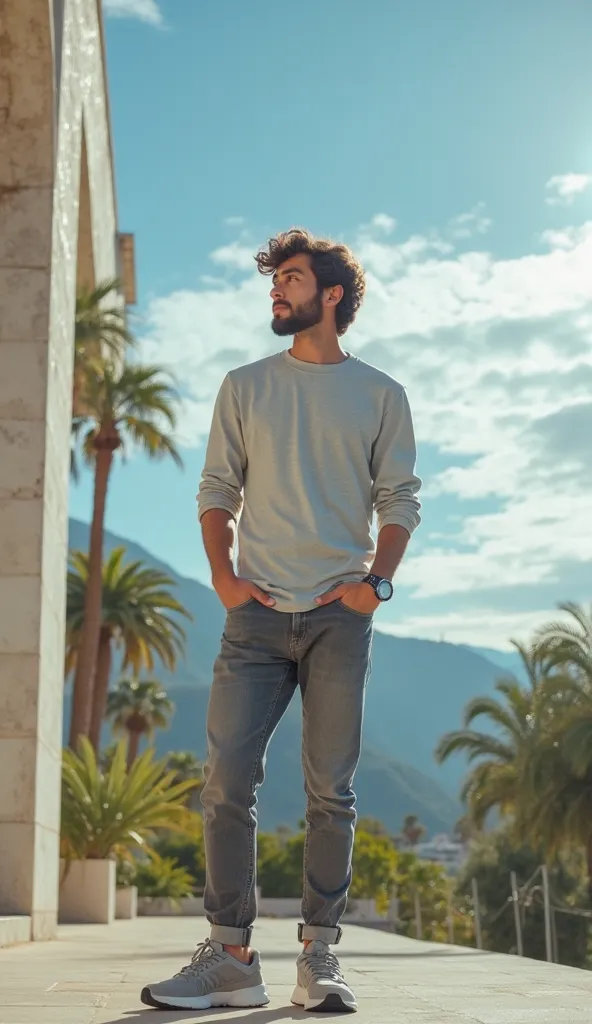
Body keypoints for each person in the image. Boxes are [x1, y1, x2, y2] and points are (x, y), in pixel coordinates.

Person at [141, 228, 421, 1013]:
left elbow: (399, 499)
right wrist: (224, 578)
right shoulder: (245, 384)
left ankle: (319, 959)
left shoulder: (380, 395)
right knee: (227, 781)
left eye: (291, 279)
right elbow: (215, 488)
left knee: (330, 790)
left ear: (331, 295)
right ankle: (230, 957)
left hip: (341, 614)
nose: (277, 290)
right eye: (275, 281)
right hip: (256, 617)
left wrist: (377, 584)